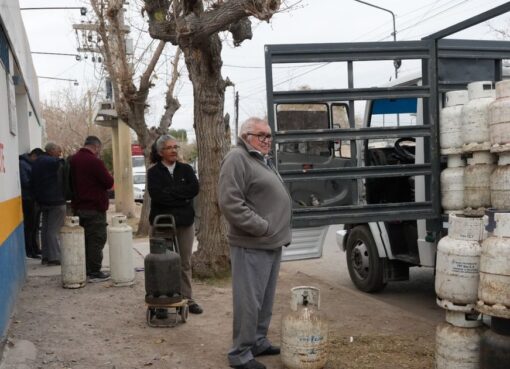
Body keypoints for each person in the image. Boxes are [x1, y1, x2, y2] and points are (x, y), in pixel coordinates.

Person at [218, 117, 292, 369]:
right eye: (262, 135)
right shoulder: (237, 158)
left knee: (265, 299)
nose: (267, 140)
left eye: (269, 136)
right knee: (249, 301)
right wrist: (262, 227)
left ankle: (257, 341)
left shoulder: (260, 159)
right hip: (252, 243)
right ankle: (240, 354)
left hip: (270, 243)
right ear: (245, 136)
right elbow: (230, 203)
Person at [147, 135, 203, 315]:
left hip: (184, 222)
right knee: (162, 263)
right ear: (160, 152)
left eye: (175, 147)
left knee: (184, 262)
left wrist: (171, 194)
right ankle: (162, 301)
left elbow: (193, 189)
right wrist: (181, 196)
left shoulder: (186, 169)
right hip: (161, 224)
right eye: (169, 148)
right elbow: (157, 196)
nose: (174, 151)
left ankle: (187, 298)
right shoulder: (153, 172)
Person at [70, 136, 114, 282]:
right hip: (94, 208)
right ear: (96, 147)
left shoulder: (73, 159)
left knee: (83, 241)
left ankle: (84, 268)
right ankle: (94, 271)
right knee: (96, 239)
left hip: (78, 207)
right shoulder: (94, 161)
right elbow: (108, 182)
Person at [31, 142, 66, 265]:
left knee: (45, 229)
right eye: (58, 151)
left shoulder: (36, 162)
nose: (60, 154)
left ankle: (45, 256)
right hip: (55, 200)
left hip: (42, 200)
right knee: (54, 230)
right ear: (51, 150)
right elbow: (61, 163)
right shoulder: (49, 161)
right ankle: (55, 257)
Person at [19, 147, 44, 258]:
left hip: (34, 198)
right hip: (27, 198)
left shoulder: (31, 164)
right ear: (33, 155)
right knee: (29, 226)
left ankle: (35, 248)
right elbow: (25, 182)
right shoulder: (23, 164)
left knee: (34, 226)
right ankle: (29, 250)